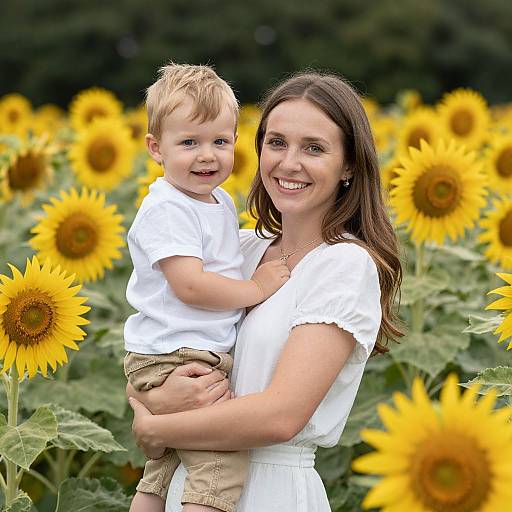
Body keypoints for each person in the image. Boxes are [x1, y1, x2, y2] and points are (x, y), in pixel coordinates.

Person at [128, 71, 403, 512]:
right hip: (189, 480)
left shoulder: (343, 266)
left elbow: (281, 416)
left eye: (313, 148)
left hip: (271, 490)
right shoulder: (237, 248)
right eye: (276, 143)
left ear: (349, 164)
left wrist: (158, 429)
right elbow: (159, 340)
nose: (288, 162)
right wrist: (154, 398)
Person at [124, 63, 290, 512]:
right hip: (177, 356)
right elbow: (191, 287)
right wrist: (256, 289)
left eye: (220, 141)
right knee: (220, 468)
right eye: (189, 143)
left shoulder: (216, 200)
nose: (207, 156)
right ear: (156, 148)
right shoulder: (167, 208)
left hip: (177, 353)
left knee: (163, 471)